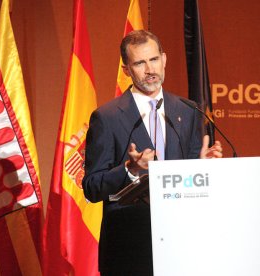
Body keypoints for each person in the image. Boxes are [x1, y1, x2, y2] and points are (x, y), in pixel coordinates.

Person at [82, 30, 222, 275]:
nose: (150, 70)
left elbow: (188, 179)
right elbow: (92, 187)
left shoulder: (188, 110)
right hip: (130, 248)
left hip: (181, 246)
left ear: (164, 59)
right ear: (127, 70)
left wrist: (201, 166)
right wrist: (130, 170)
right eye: (139, 63)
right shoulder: (107, 117)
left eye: (154, 60)